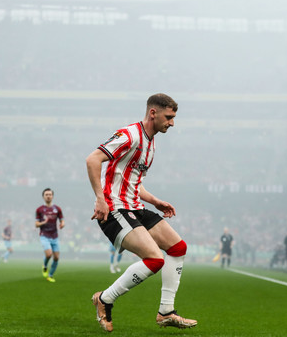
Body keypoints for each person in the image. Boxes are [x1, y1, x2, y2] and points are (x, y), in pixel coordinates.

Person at [86, 93, 197, 332]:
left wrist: (155, 201)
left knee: (178, 248)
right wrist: (100, 199)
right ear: (153, 113)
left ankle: (166, 311)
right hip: (115, 209)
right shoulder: (129, 134)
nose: (172, 123)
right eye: (169, 117)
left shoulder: (151, 143)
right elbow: (93, 159)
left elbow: (134, 181)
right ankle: (105, 299)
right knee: (155, 259)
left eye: (174, 118)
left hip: (135, 207)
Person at [35, 187, 65, 282]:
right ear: (43, 197)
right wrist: (43, 222)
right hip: (44, 235)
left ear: (52, 196)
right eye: (46, 195)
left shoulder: (57, 209)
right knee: (48, 254)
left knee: (56, 257)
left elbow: (62, 220)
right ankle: (44, 266)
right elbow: (36, 224)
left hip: (54, 236)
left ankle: (50, 275)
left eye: (50, 194)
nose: (48, 196)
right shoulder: (39, 210)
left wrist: (62, 224)